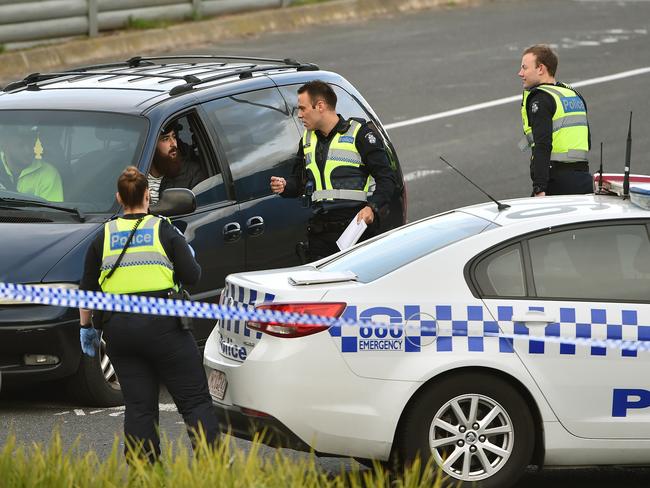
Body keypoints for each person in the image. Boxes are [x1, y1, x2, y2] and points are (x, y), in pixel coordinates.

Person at [78, 166, 218, 463]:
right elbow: (192, 276)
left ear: (119, 198)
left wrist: (86, 329)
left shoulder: (103, 236)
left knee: (139, 406)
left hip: (119, 331)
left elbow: (87, 290)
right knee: (194, 401)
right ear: (147, 196)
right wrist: (184, 253)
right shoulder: (163, 229)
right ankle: (213, 468)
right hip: (164, 326)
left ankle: (145, 474)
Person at [270, 80, 397, 261]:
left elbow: (387, 178)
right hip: (320, 232)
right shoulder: (307, 141)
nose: (299, 115)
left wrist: (372, 208)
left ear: (320, 106)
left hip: (355, 228)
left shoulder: (359, 134)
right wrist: (285, 186)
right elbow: (298, 183)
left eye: (303, 108)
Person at [518, 44, 593, 196]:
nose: (520, 73)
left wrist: (539, 188)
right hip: (583, 179)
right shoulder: (572, 94)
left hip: (556, 181)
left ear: (540, 69)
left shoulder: (541, 98)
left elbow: (543, 145)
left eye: (525, 68)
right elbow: (587, 140)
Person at [148, 122, 206, 205]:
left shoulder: (192, 174)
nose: (174, 144)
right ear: (151, 145)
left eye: (174, 137)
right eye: (165, 139)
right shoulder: (136, 172)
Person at [0, 125, 64, 201]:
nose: (29, 151)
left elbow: (53, 211)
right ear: (4, 145)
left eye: (31, 144)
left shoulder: (48, 174)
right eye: (21, 145)